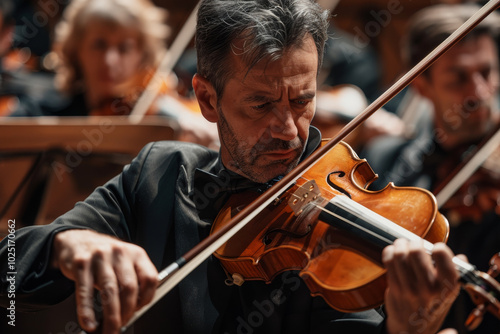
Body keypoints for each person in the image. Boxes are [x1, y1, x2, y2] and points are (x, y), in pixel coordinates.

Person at [0, 0, 463, 333]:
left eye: (302, 101)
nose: (289, 130)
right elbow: (9, 262)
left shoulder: (336, 226)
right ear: (206, 99)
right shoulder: (161, 173)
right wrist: (67, 243)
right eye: (260, 104)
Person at [363, 3, 500, 333]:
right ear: (421, 85)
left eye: (487, 72)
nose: (479, 93)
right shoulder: (387, 160)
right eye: (459, 78)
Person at [9, 0, 218, 148]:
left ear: (143, 55)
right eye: (99, 45)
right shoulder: (40, 112)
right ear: (76, 50)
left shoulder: (159, 116)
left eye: (124, 48)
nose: (110, 60)